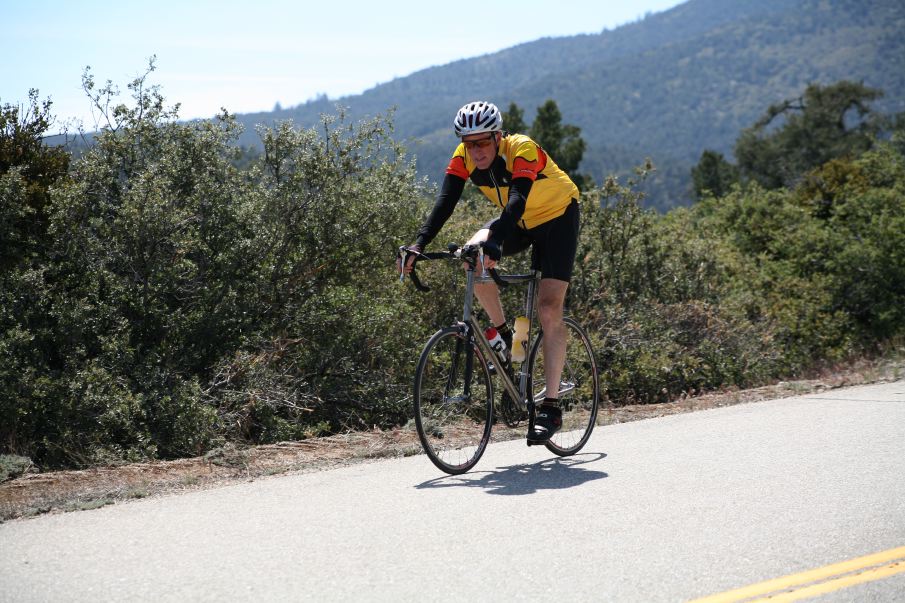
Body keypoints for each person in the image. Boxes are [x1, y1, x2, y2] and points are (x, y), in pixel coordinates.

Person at [398, 101, 580, 442]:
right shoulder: (463, 155)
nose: (476, 150)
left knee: (548, 307)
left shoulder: (521, 149)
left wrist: (497, 240)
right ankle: (506, 336)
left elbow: (516, 198)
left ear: (498, 137)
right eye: (469, 143)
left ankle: (551, 407)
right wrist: (418, 245)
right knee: (472, 256)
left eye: (482, 142)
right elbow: (445, 200)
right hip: (520, 221)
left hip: (557, 218)